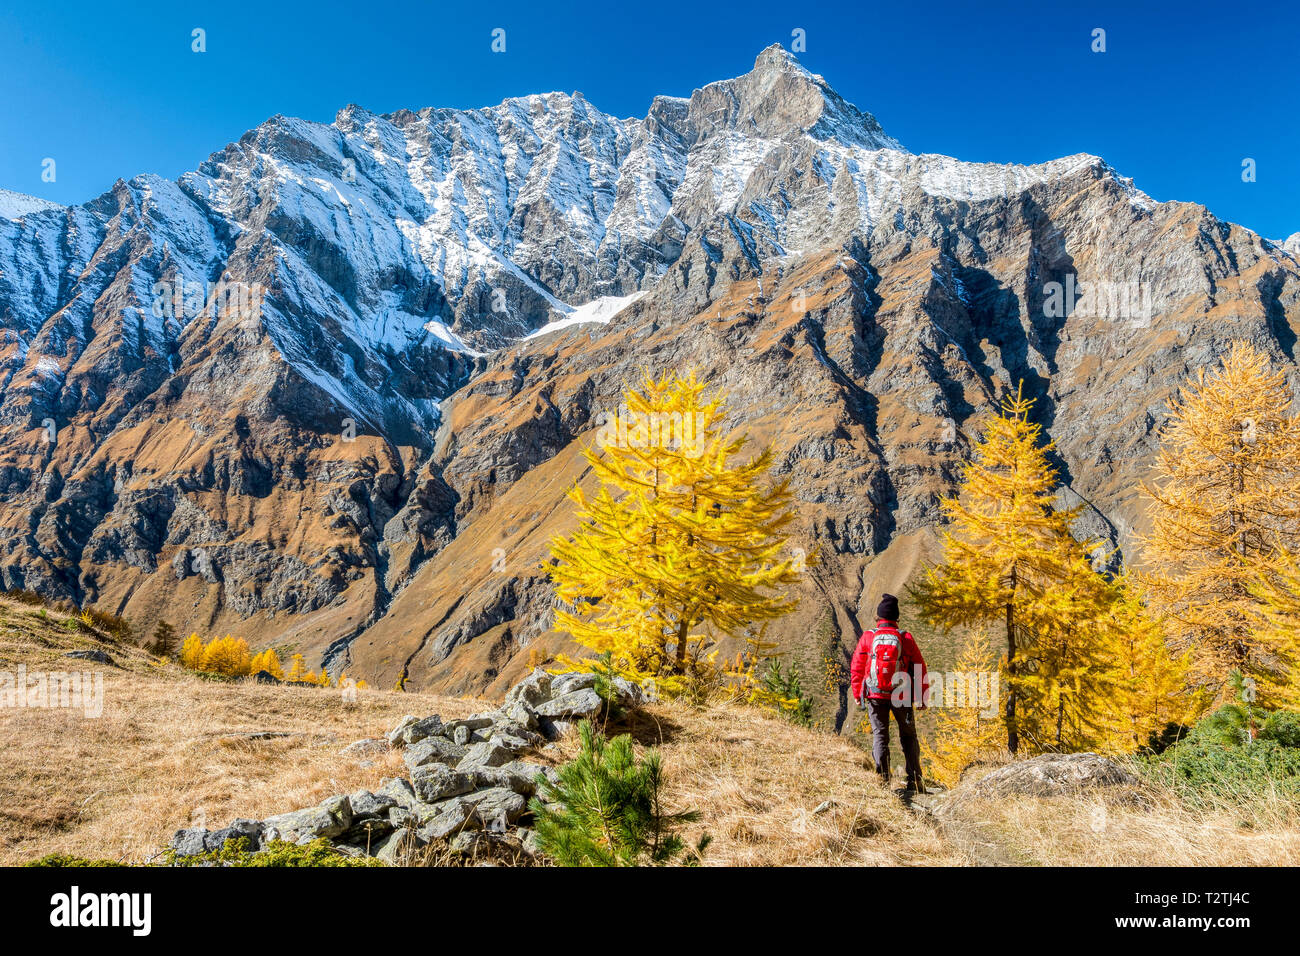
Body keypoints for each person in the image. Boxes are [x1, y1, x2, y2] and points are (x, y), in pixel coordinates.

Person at [850, 593, 928, 793]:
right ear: (896, 618)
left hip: (875, 694)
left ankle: (883, 782)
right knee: (908, 736)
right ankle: (915, 781)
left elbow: (857, 668)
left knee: (880, 735)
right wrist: (922, 697)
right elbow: (919, 667)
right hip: (901, 694)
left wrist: (858, 692)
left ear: (879, 617)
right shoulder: (905, 637)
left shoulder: (868, 636)